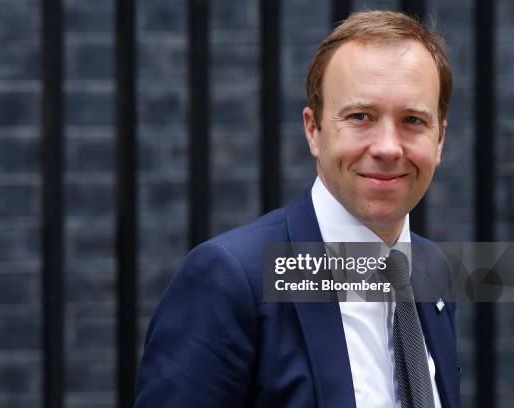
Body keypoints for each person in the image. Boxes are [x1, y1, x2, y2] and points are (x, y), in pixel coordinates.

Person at [135, 10, 459, 408]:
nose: (388, 147)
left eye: (413, 120)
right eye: (361, 117)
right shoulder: (230, 280)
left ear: (439, 139)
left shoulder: (432, 269)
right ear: (313, 130)